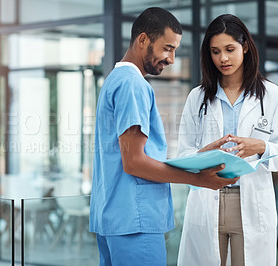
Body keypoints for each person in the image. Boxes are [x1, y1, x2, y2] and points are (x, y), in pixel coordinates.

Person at [89, 8, 238, 266]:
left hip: (113, 219)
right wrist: (198, 178)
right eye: (167, 48)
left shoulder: (114, 80)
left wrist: (200, 157)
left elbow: (131, 155)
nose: (171, 59)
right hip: (136, 223)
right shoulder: (133, 85)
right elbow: (134, 162)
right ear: (143, 39)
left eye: (175, 50)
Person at [177, 14, 278, 266]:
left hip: (251, 202)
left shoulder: (271, 96)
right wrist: (204, 153)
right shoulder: (197, 97)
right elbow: (183, 153)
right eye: (215, 51)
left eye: (230, 49)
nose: (223, 58)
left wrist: (260, 146)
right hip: (207, 201)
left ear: (245, 47)